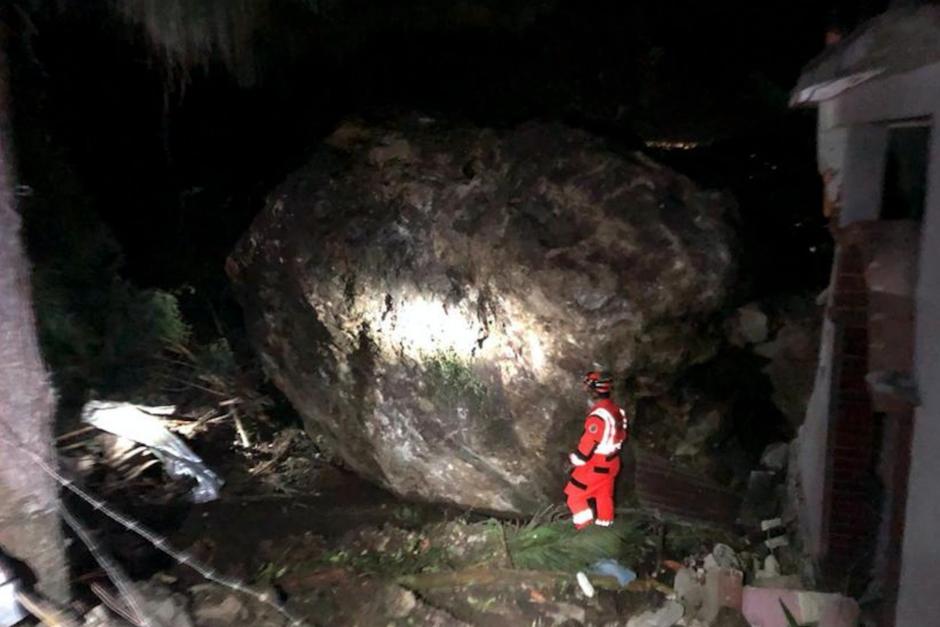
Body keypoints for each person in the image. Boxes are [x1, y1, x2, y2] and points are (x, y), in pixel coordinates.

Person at [563, 371, 629, 529]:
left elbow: (585, 451)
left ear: (593, 390)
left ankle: (585, 531)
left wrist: (572, 459)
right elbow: (622, 434)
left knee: (574, 496)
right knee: (604, 497)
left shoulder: (598, 417)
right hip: (613, 462)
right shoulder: (618, 411)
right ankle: (605, 529)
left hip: (596, 465)